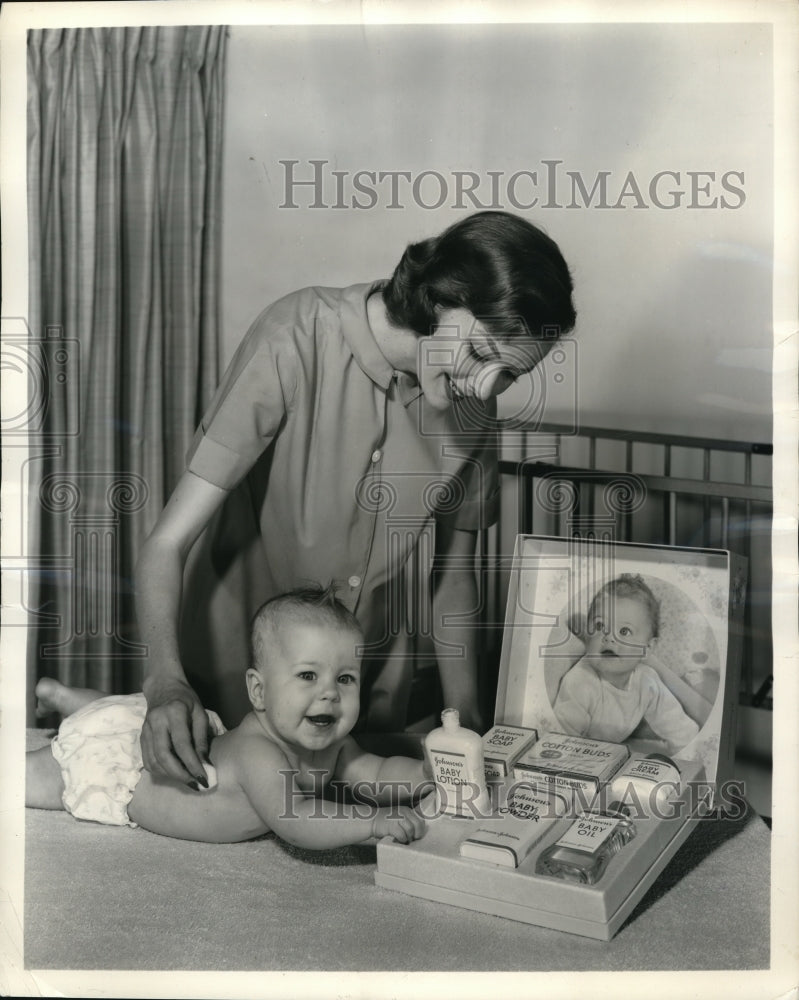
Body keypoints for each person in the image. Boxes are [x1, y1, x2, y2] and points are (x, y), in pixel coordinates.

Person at [135, 209, 577, 788]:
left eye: (508, 375)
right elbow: (167, 542)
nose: (484, 386)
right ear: (442, 296)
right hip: (231, 679)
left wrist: (467, 727)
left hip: (356, 694)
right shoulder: (293, 338)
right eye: (480, 353)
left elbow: (453, 579)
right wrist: (165, 681)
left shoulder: (474, 409)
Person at [26, 587, 430, 847]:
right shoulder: (259, 755)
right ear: (259, 691)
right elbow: (298, 819)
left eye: (345, 678)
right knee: (32, 777)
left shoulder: (335, 744)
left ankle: (65, 697)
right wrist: (373, 822)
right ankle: (71, 707)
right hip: (129, 772)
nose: (329, 692)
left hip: (182, 734)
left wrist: (426, 775)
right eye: (308, 675)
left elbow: (375, 773)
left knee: (125, 714)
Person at [553, 575, 700, 754]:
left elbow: (681, 731)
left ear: (646, 648)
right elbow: (560, 740)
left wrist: (692, 757)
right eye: (600, 626)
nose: (609, 637)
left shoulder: (647, 681)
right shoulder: (580, 682)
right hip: (578, 754)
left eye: (624, 631)